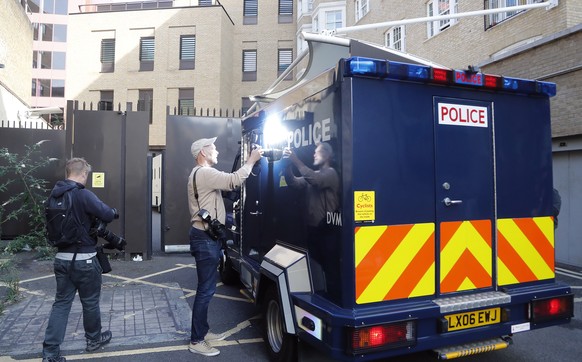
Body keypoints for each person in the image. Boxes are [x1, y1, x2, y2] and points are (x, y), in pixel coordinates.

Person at [187, 137, 262, 356]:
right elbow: (234, 180)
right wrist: (251, 159)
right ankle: (197, 341)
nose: (217, 151)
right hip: (205, 239)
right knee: (206, 290)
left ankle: (202, 331)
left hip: (204, 236)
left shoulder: (198, 174)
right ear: (203, 152)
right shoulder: (205, 173)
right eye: (213, 147)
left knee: (206, 289)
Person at [42, 158, 119, 362]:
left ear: (67, 172)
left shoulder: (53, 195)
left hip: (61, 259)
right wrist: (111, 213)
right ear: (84, 174)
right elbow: (107, 214)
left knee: (61, 304)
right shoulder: (82, 194)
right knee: (90, 303)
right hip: (84, 259)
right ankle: (93, 341)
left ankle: (50, 353)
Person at [283, 142, 340, 227]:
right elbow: (294, 183)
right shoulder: (314, 175)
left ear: (327, 155)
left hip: (327, 228)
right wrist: (287, 165)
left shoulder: (331, 173)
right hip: (312, 227)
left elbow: (314, 180)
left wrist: (295, 159)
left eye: (318, 152)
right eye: (314, 152)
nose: (314, 155)